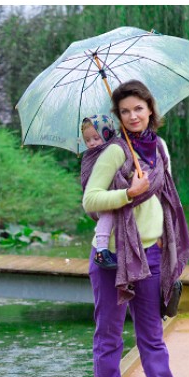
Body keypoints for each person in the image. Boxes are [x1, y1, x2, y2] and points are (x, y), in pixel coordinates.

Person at [80, 79, 189, 377]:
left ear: (150, 110)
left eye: (138, 109)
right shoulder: (113, 153)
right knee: (108, 340)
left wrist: (163, 238)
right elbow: (90, 200)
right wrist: (128, 192)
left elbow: (166, 198)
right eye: (125, 111)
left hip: (151, 255)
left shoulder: (160, 149)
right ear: (119, 115)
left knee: (153, 340)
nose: (133, 116)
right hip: (112, 257)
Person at [80, 115, 118, 270]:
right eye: (87, 140)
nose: (92, 143)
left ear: (107, 134)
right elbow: (89, 178)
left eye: (96, 138)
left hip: (114, 194)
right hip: (98, 198)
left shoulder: (116, 149)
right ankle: (101, 251)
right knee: (107, 211)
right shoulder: (91, 156)